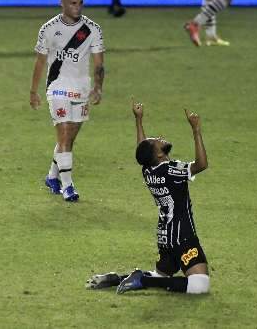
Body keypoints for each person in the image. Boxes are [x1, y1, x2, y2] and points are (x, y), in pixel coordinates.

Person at [85, 100, 210, 295]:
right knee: (200, 285)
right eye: (156, 141)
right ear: (159, 154)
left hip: (164, 236)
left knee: (160, 275)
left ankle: (116, 278)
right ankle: (142, 281)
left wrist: (139, 120)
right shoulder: (170, 170)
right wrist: (196, 130)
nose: (159, 138)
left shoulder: (149, 170)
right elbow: (201, 164)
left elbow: (142, 151)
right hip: (181, 236)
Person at [30, 0, 105, 202]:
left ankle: (52, 176)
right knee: (63, 134)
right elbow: (40, 61)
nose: (77, 8)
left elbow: (99, 63)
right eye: (73, 3)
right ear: (61, 3)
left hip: (81, 89)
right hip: (57, 87)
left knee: (69, 139)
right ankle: (68, 186)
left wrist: (98, 87)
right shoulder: (49, 28)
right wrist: (34, 91)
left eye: (80, 3)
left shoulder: (92, 30)